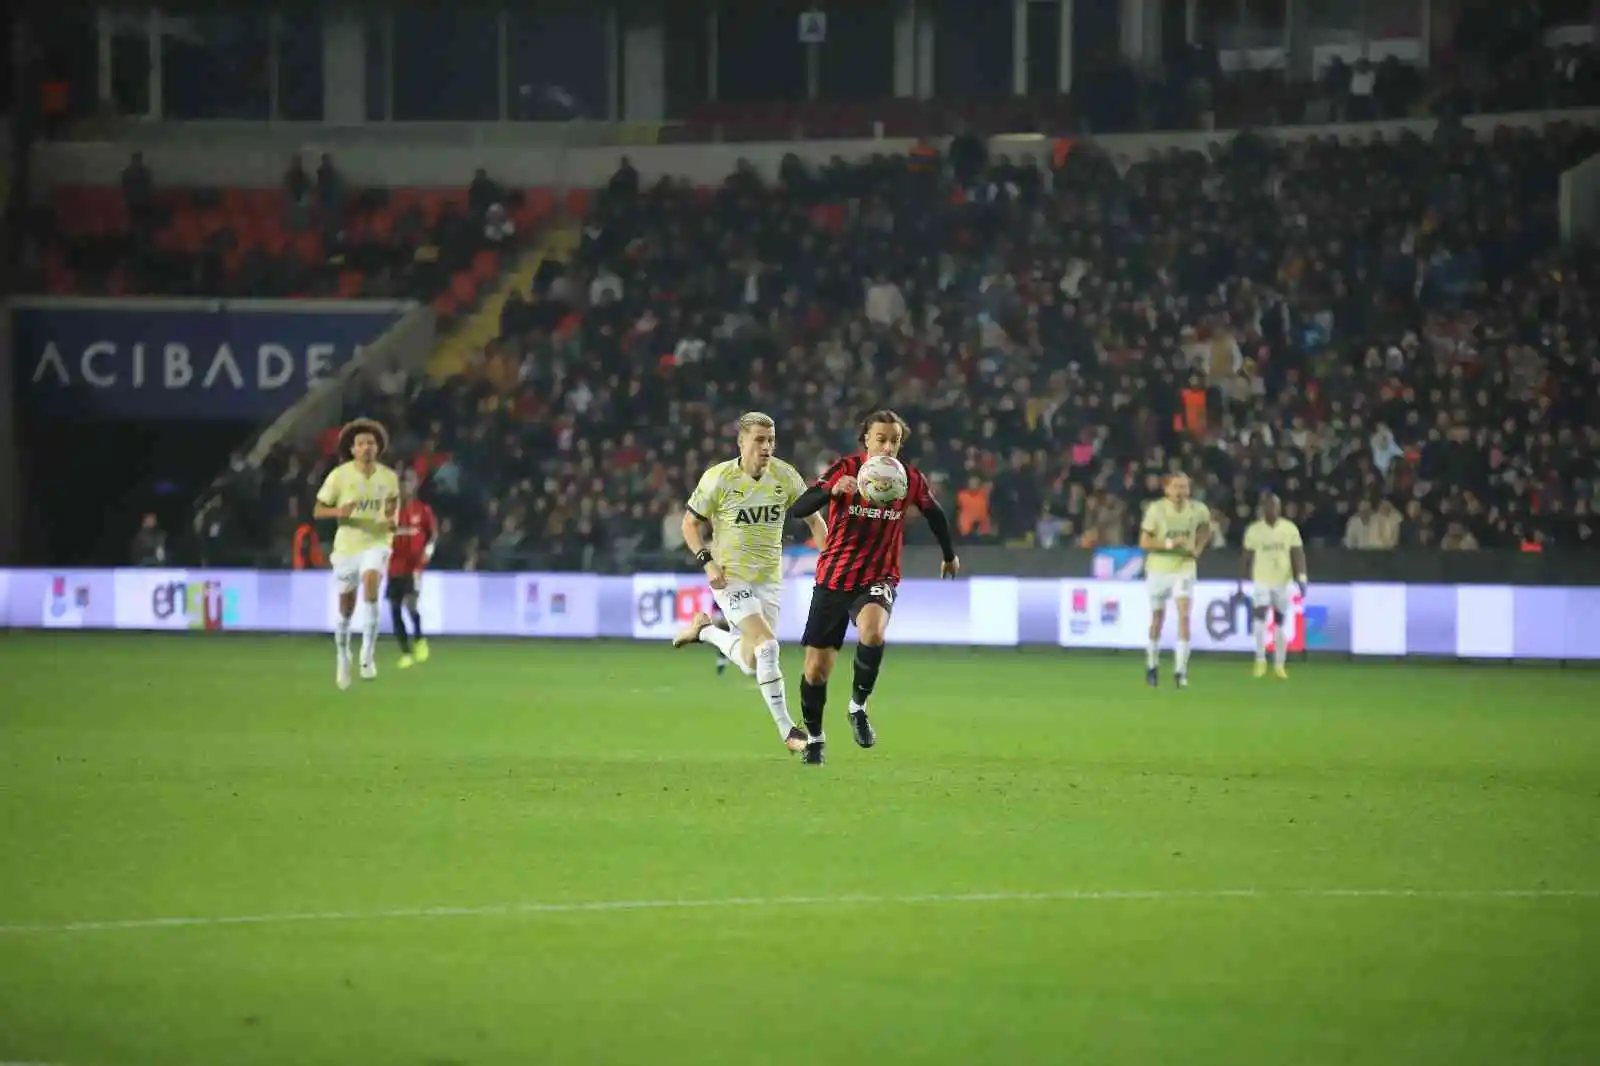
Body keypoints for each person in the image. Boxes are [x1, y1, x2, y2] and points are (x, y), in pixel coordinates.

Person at [786, 410, 959, 766]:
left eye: (895, 440)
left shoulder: (908, 478)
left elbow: (935, 513)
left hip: (878, 576)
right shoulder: (845, 469)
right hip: (834, 578)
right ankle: (815, 738)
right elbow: (799, 506)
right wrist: (831, 490)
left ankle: (858, 707)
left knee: (873, 630)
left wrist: (949, 555)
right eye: (881, 438)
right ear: (866, 439)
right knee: (815, 671)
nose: (888, 446)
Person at [672, 412, 829, 752]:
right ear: (741, 442)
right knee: (769, 647)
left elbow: (816, 522)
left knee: (753, 660)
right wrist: (707, 562)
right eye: (759, 439)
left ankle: (704, 631)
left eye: (771, 439)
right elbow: (689, 524)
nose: (767, 446)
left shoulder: (785, 476)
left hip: (769, 580)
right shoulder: (718, 479)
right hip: (731, 578)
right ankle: (789, 732)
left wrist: (831, 563)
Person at [313, 419, 401, 689]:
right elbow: (318, 510)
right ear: (352, 449)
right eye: (361, 443)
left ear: (378, 447)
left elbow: (392, 504)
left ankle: (367, 654)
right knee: (346, 608)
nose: (366, 447)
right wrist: (339, 512)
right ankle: (343, 654)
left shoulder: (388, 477)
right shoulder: (340, 475)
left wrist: (391, 519)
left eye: (371, 443)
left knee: (372, 581)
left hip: (376, 542)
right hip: (347, 547)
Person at [1138, 473, 1212, 689]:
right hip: (1158, 568)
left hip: (1184, 567)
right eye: (1176, 487)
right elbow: (1144, 541)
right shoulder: (1156, 509)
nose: (1180, 491)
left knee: (1184, 615)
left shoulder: (1198, 509)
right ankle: (1152, 665)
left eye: (1184, 487)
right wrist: (1171, 544)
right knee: (1157, 618)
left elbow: (1206, 528)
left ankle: (1180, 671)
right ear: (1167, 490)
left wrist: (1197, 548)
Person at [1239, 491, 1307, 679]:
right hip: (1261, 579)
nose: (1273, 509)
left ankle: (1279, 664)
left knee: (1280, 620)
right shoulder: (1254, 530)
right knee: (1260, 615)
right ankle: (1260, 659)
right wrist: (1240, 581)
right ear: (1263, 509)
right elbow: (1246, 556)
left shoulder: (1289, 529)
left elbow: (1298, 553)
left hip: (1283, 581)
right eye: (1269, 506)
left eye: (1276, 506)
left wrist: (1301, 577)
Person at [388, 470, 439, 669]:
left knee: (411, 605)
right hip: (394, 567)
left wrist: (427, 553)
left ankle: (419, 639)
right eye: (401, 483)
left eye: (408, 483)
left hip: (413, 567)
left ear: (414, 485)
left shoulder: (422, 510)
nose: (404, 487)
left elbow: (433, 535)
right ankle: (406, 652)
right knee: (394, 608)